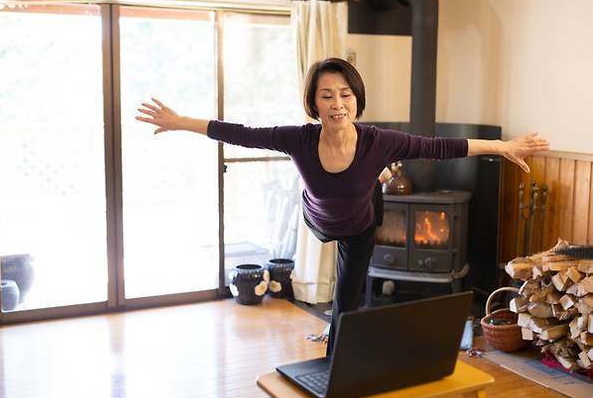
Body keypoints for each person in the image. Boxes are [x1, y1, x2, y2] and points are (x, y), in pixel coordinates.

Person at [136, 57, 549, 355]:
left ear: (356, 99)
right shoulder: (298, 138)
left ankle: (338, 354)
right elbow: (241, 133)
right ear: (314, 103)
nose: (338, 104)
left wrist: (502, 146)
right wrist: (181, 121)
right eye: (327, 96)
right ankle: (379, 176)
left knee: (348, 300)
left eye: (345, 95)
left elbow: (440, 146)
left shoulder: (379, 140)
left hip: (360, 223)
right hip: (319, 217)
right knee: (346, 198)